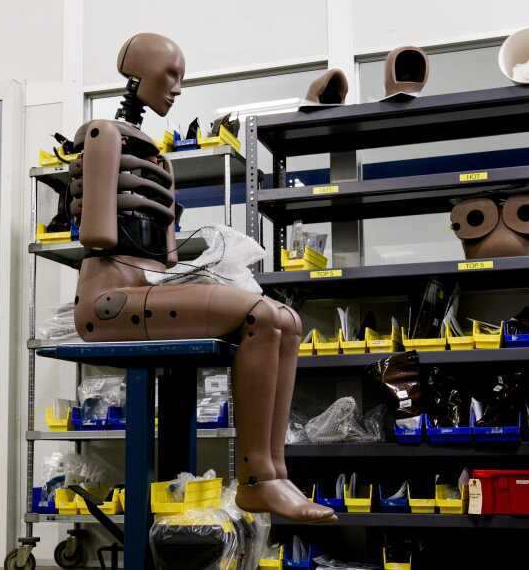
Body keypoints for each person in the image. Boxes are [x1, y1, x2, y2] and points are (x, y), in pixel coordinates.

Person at [68, 33, 335, 523]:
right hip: (107, 298)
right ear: (138, 72)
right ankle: (256, 479)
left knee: (287, 320)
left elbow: (168, 255)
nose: (177, 89)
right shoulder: (103, 136)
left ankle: (276, 472)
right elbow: (98, 234)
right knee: (260, 316)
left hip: (150, 284)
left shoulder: (158, 158)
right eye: (170, 75)